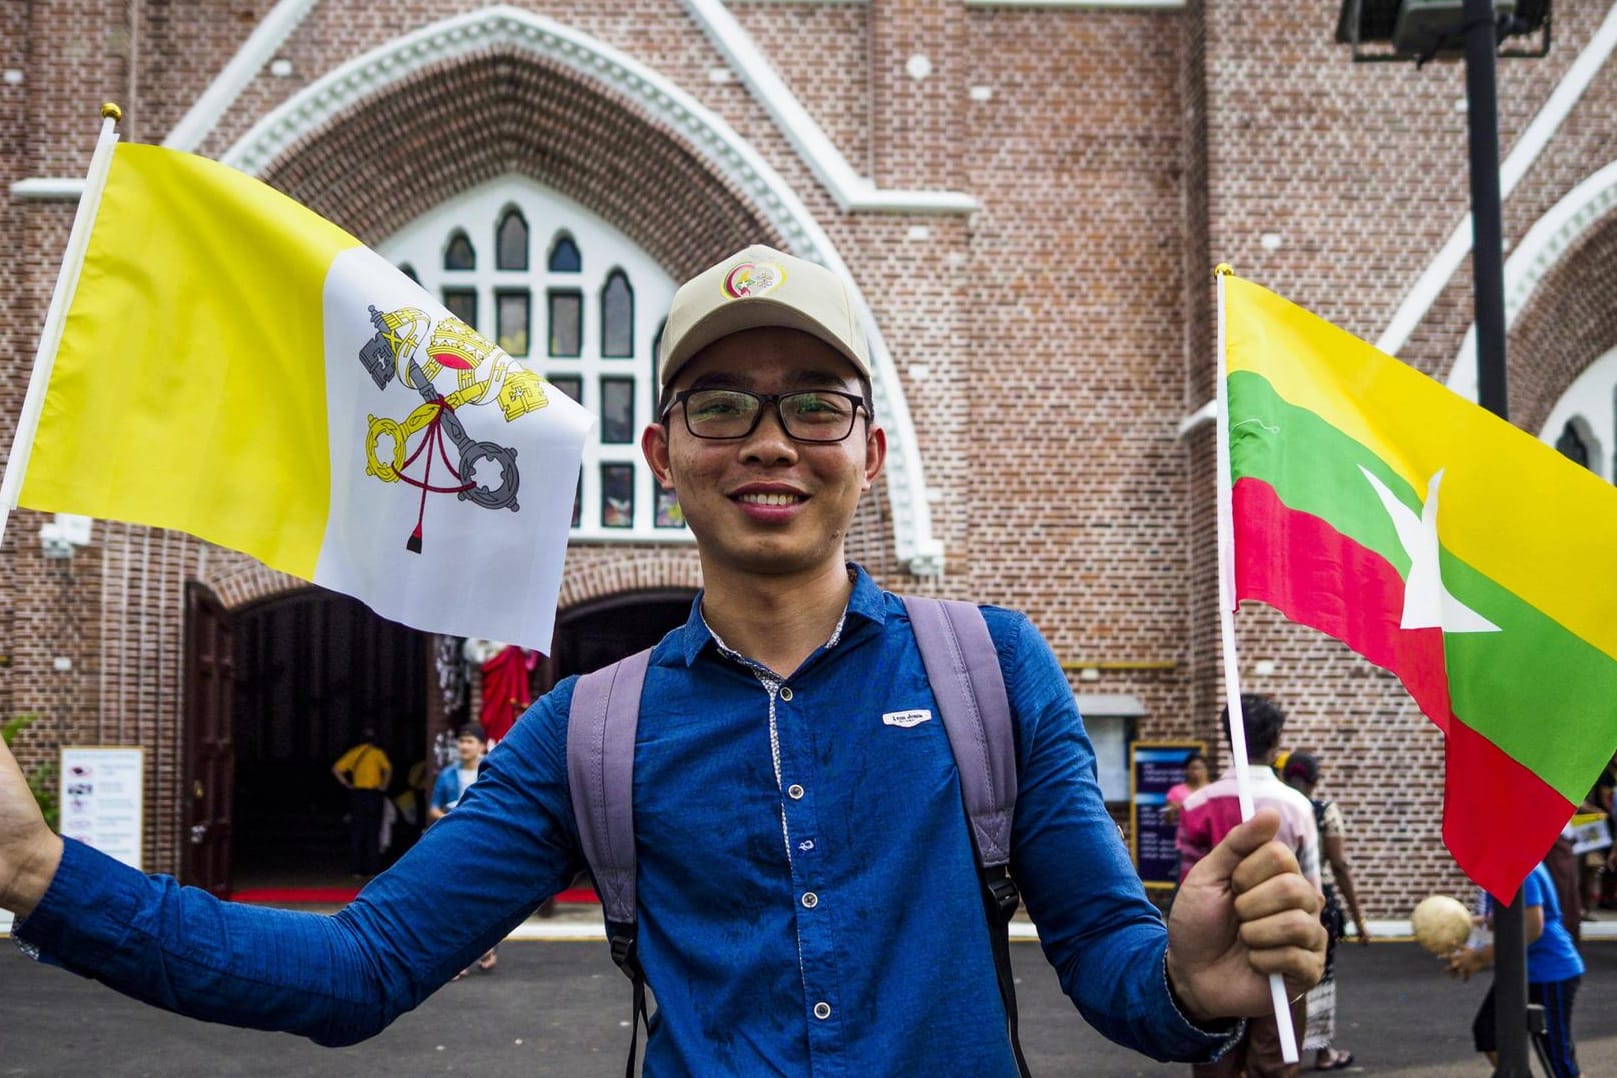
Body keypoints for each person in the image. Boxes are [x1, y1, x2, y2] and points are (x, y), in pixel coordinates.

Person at [0, 244, 1325, 1074]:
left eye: (815, 405)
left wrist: (1186, 981)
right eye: (721, 404)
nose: (770, 440)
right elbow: (359, 971)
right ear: (663, 451)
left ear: (869, 452)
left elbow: (1109, 958)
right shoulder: (588, 729)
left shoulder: (992, 668)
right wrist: (36, 870)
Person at [1178, 694, 1322, 1078]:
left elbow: (1187, 884)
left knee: (1216, 1060)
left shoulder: (1197, 805)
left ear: (1228, 737)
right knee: (1274, 1062)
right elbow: (1313, 890)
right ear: (1277, 740)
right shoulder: (1296, 806)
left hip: (1211, 950)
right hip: (1281, 949)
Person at [1447, 860, 1583, 1078]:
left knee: (1559, 1061)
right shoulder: (1503, 866)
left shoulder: (1521, 868)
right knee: (1488, 1032)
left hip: (1549, 971)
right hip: (1519, 971)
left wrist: (1479, 958)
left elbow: (1532, 927)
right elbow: (1503, 917)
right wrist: (1462, 927)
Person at [1280, 751, 1368, 1072]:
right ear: (1315, 780)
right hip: (1319, 903)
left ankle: (1279, 1050)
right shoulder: (1323, 811)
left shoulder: (1276, 807)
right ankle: (1322, 1052)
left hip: (1279, 899)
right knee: (1319, 975)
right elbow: (1339, 865)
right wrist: (1358, 920)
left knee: (1278, 974)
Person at [429, 723, 498, 977]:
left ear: (481, 746)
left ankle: (487, 946)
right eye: (461, 741)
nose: (464, 746)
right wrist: (453, 819)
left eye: (470, 742)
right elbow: (434, 808)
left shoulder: (491, 772)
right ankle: (458, 957)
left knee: (482, 899)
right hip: (454, 842)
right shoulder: (447, 775)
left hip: (484, 843)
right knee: (453, 900)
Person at [330, 728, 392, 878]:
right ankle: (373, 869)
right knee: (373, 831)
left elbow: (336, 769)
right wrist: (384, 785)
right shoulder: (378, 753)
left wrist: (347, 784)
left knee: (357, 832)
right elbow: (388, 770)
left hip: (357, 794)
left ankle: (356, 869)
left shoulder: (354, 752)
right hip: (373, 795)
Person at [1163, 750, 1210, 827]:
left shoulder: (1212, 790)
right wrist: (1171, 810)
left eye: (1201, 768)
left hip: (1209, 833)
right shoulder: (1176, 791)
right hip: (1185, 833)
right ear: (1187, 770)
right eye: (1194, 768)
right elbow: (1168, 821)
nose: (1197, 772)